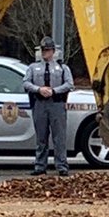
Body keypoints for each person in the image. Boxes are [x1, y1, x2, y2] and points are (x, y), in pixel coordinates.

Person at [24, 36, 73, 176]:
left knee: (59, 137)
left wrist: (54, 91)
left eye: (48, 50)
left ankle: (62, 166)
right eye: (43, 50)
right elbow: (26, 83)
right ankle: (40, 166)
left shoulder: (62, 68)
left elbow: (70, 84)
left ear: (53, 51)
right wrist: (38, 89)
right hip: (40, 104)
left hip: (57, 104)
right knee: (41, 137)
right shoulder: (33, 67)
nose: (45, 53)